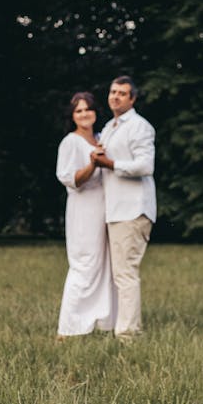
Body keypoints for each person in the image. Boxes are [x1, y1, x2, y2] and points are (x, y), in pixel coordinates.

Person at [91, 75, 156, 339]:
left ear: (133, 99)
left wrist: (110, 164)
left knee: (126, 273)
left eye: (122, 93)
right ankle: (114, 325)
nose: (115, 96)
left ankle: (128, 334)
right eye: (112, 91)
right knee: (117, 273)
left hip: (132, 210)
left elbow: (145, 165)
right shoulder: (109, 127)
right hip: (115, 210)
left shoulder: (139, 127)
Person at [55, 92, 116, 337]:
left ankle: (101, 322)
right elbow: (72, 180)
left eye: (87, 109)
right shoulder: (70, 142)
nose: (84, 114)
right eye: (78, 111)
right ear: (72, 116)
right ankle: (69, 327)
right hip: (83, 210)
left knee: (105, 265)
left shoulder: (102, 138)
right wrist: (92, 164)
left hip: (105, 208)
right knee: (84, 265)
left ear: (95, 112)